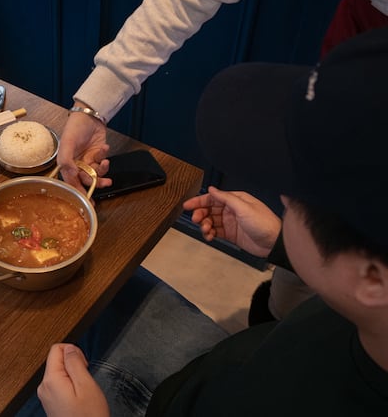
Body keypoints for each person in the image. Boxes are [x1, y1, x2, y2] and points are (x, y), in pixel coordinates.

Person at [58, 0, 388, 325]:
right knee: (318, 241)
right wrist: (95, 102)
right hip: (364, 34)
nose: (287, 195)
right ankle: (276, 323)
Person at [37, 27, 388, 416]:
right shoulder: (368, 314)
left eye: (298, 196)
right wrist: (283, 247)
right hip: (217, 371)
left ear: (372, 278)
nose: (284, 197)